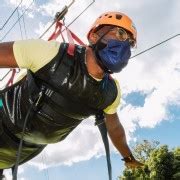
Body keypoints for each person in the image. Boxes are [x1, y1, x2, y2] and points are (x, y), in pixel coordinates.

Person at [0, 11, 143, 177]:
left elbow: (115, 127)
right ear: (95, 36)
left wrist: (128, 157)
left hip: (21, 152)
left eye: (130, 43)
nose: (125, 45)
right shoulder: (50, 54)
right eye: (120, 33)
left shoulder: (110, 92)